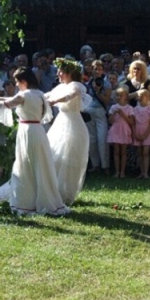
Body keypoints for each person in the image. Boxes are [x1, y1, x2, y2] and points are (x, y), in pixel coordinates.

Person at [0, 67, 70, 216]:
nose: (16, 85)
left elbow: (6, 104)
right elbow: (8, 100)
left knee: (26, 165)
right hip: (38, 131)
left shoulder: (24, 95)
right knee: (39, 166)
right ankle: (40, 200)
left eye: (17, 81)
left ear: (24, 81)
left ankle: (27, 202)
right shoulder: (39, 94)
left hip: (28, 132)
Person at [45, 58, 91, 205]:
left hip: (74, 124)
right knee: (54, 154)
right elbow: (46, 95)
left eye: (61, 71)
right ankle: (52, 190)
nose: (58, 74)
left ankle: (65, 193)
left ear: (69, 73)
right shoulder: (60, 87)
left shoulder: (76, 85)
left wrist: (54, 101)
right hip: (60, 123)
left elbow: (71, 95)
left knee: (70, 159)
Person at [84, 60, 112, 174]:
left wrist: (98, 91)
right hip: (89, 111)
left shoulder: (106, 84)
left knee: (102, 139)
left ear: (103, 70)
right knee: (92, 139)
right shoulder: (88, 83)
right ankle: (95, 164)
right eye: (95, 69)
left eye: (100, 69)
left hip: (100, 111)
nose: (97, 71)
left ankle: (105, 166)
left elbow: (106, 101)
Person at [106, 87, 134, 178]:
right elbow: (110, 121)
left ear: (126, 96)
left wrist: (123, 115)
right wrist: (114, 114)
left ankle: (122, 172)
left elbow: (131, 122)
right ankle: (117, 171)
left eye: (121, 95)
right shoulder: (113, 107)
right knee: (116, 152)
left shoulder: (129, 108)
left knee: (123, 152)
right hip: (115, 130)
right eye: (117, 95)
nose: (119, 97)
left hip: (124, 130)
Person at [132, 89, 150, 178]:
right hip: (137, 131)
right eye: (139, 96)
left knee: (146, 153)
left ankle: (146, 173)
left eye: (142, 96)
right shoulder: (135, 109)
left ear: (147, 97)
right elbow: (133, 123)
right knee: (139, 153)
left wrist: (146, 134)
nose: (140, 98)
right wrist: (135, 133)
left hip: (147, 131)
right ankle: (141, 172)